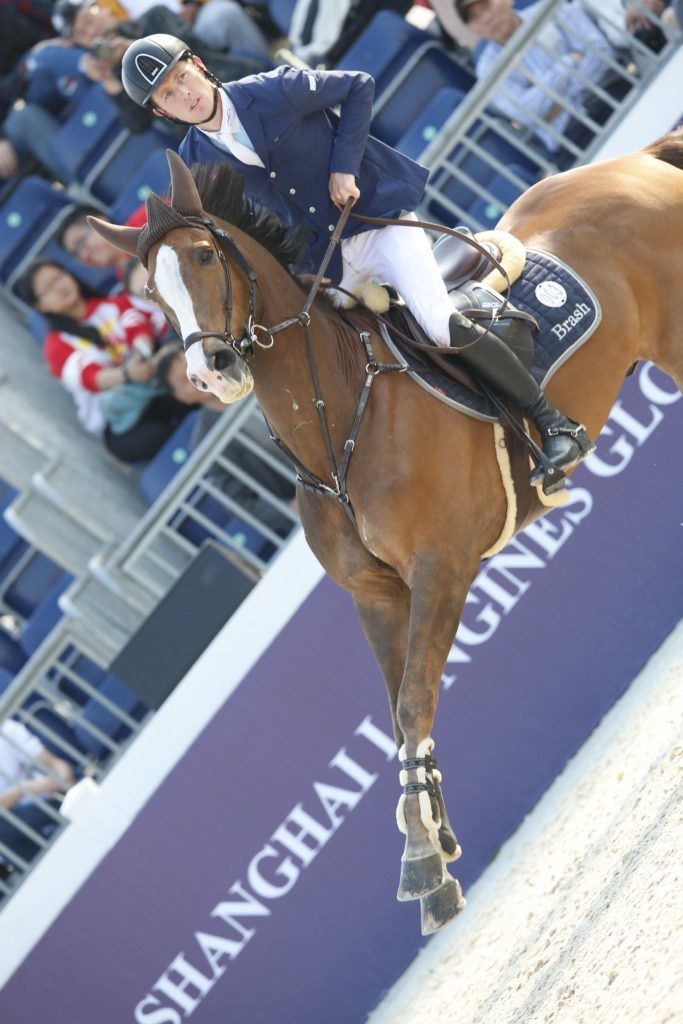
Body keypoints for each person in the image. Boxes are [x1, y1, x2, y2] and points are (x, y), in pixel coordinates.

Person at [118, 34, 595, 485]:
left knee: (437, 321)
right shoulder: (196, 163)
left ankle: (555, 426)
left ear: (199, 66)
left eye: (182, 77)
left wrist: (345, 166)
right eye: (168, 94)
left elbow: (358, 85)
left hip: (378, 222)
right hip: (327, 262)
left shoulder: (270, 89)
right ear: (162, 110)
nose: (184, 93)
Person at [20, 259, 188, 463]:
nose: (59, 286)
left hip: (151, 384)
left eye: (59, 276)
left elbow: (138, 328)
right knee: (154, 435)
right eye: (48, 288)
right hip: (122, 422)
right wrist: (127, 374)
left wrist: (140, 354)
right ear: (40, 305)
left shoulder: (111, 304)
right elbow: (89, 378)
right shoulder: (55, 346)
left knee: (185, 383)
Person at [454, 0, 630, 158]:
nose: (486, 17)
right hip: (573, 139)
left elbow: (600, 52)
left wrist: (553, 106)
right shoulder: (487, 69)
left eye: (486, 5)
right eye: (474, 17)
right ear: (472, 29)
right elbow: (527, 114)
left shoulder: (550, 9)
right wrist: (571, 61)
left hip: (612, 93)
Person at [0, 717, 75, 869]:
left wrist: (63, 778)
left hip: (48, 797)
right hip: (13, 829)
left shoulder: (5, 727)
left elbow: (52, 762)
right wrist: (21, 789)